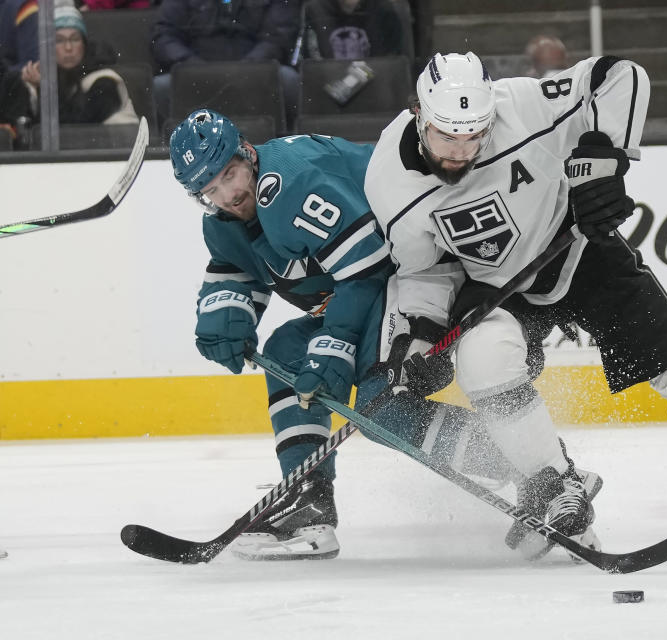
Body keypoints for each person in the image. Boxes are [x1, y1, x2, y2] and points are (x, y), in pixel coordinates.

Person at [364, 52, 667, 554]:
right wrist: (418, 336)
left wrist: (601, 167)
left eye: (474, 135)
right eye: (447, 136)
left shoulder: (521, 105)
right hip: (493, 285)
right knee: (483, 357)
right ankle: (555, 488)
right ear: (419, 113)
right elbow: (425, 269)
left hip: (577, 248)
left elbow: (619, 76)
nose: (460, 152)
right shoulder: (389, 184)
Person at [167, 109, 541, 561]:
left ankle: (541, 473)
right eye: (211, 190)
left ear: (246, 152)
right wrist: (225, 315)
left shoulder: (290, 181)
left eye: (229, 174)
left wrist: (335, 346)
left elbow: (367, 264)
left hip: (420, 277)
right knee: (287, 351)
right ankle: (309, 500)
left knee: (381, 411)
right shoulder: (226, 220)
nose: (229, 194)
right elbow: (236, 268)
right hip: (370, 288)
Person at [0, 3, 137, 144]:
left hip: (117, 159)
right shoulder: (37, 77)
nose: (68, 48)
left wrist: (45, 89)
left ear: (84, 43)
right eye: (59, 40)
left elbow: (74, 134)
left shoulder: (104, 81)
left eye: (75, 39)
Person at [151, 0, 300, 130]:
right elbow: (164, 37)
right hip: (194, 72)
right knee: (159, 87)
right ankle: (170, 148)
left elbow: (279, 36)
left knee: (289, 81)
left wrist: (247, 68)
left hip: (257, 71)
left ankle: (288, 146)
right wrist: (194, 67)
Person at [303, 0, 409, 61]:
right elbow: (310, 63)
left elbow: (393, 64)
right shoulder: (313, 10)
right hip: (327, 86)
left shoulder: (384, 10)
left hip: (377, 88)